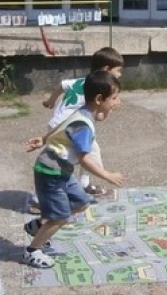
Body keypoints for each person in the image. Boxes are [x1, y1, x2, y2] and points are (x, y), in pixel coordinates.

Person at [23, 70, 125, 269]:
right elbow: (84, 160)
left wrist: (43, 139)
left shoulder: (83, 111)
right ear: (99, 99)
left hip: (62, 170)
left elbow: (63, 125)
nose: (117, 102)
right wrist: (107, 175)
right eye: (114, 98)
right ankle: (32, 250)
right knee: (60, 216)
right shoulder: (83, 126)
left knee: (81, 202)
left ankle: (39, 226)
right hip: (51, 172)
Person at [39, 46, 125, 197]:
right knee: (88, 154)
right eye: (118, 71)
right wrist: (107, 175)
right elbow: (98, 116)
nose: (120, 75)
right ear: (106, 69)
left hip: (58, 123)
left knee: (58, 160)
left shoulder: (82, 82)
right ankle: (83, 185)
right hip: (73, 125)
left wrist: (50, 101)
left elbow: (62, 85)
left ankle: (56, 189)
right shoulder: (98, 90)